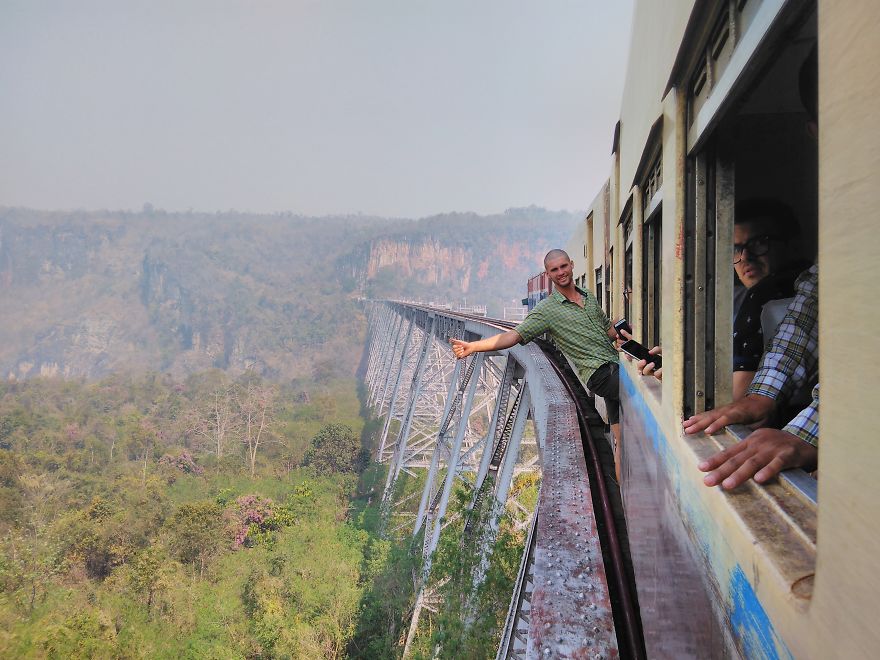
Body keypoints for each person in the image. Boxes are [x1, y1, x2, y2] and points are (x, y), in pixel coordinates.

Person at [450, 249, 624, 475]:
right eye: (555, 270)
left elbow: (607, 332)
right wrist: (474, 347)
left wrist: (622, 329)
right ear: (548, 275)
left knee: (619, 443)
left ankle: (625, 491)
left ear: (571, 265)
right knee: (649, 387)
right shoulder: (547, 310)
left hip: (614, 366)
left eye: (563, 266)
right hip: (599, 374)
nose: (561, 272)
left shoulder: (589, 297)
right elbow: (513, 336)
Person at [731, 199, 808, 399]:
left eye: (759, 242)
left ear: (793, 246)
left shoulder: (765, 298)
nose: (745, 257)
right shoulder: (738, 298)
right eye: (735, 249)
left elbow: (737, 400)